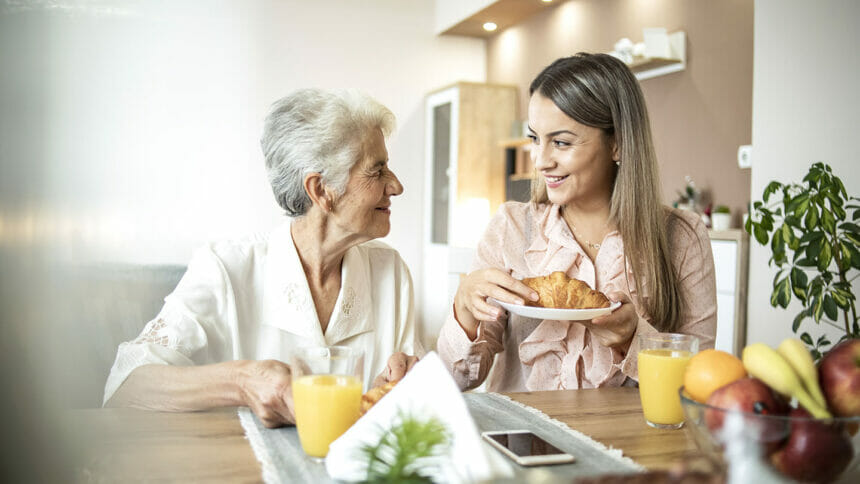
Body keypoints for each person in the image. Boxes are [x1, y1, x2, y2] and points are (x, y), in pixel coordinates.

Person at [104, 89, 421, 428]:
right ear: (320, 191)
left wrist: (395, 387)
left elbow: (405, 389)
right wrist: (243, 381)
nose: (396, 186)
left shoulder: (391, 272)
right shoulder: (225, 269)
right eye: (378, 170)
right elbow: (125, 388)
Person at [437, 53, 716, 392]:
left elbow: (699, 383)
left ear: (617, 143)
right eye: (534, 139)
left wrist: (634, 339)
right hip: (522, 441)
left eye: (561, 142)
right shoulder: (510, 227)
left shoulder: (681, 236)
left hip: (630, 444)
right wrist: (465, 305)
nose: (540, 161)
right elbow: (457, 381)